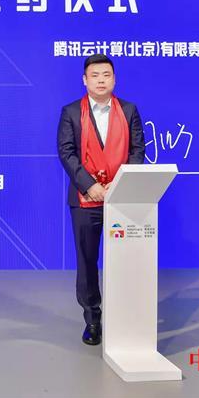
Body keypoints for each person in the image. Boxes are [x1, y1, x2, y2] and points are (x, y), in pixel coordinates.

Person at [56, 54, 145, 345]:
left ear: (114, 79)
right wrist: (90, 185)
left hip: (123, 198)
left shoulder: (129, 110)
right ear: (85, 80)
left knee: (126, 260)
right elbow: (66, 153)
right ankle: (92, 320)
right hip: (85, 200)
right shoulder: (71, 112)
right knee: (87, 261)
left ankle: (126, 318)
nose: (101, 80)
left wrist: (121, 185)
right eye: (94, 75)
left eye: (106, 75)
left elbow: (137, 150)